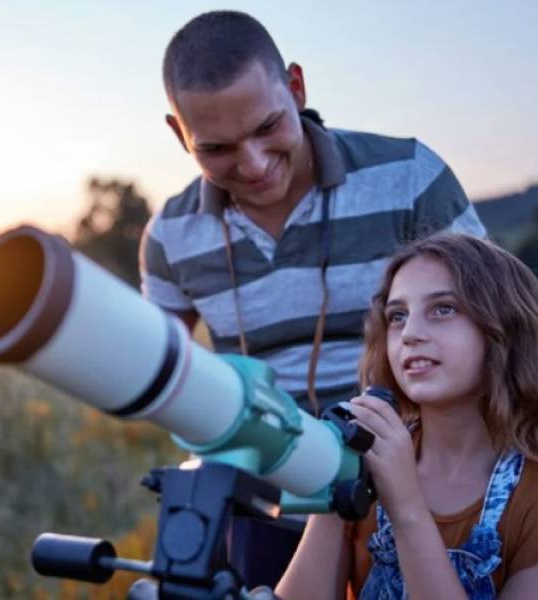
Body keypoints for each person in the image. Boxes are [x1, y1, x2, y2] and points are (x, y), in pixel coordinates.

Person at [139, 10, 487, 588]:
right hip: (265, 501)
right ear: (180, 135)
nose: (252, 164)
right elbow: (162, 378)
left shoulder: (409, 177)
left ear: (296, 88)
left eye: (267, 127)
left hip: (416, 487)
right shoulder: (170, 237)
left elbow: (492, 329)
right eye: (217, 147)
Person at [275, 233, 538, 599]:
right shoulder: (366, 458)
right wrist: (334, 486)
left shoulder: (531, 495)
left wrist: (407, 506)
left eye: (443, 308)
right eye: (397, 316)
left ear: (504, 328)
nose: (410, 333)